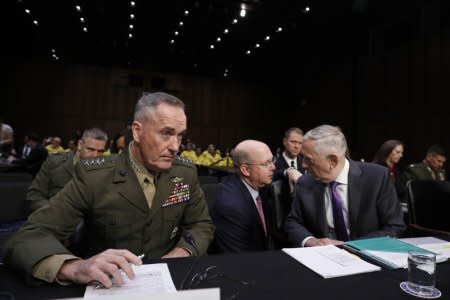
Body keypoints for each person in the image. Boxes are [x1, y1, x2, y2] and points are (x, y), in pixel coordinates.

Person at [4, 92, 214, 288]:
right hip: (108, 286)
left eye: (180, 136)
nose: (175, 146)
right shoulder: (94, 177)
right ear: (137, 131)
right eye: (166, 133)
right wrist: (75, 268)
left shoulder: (186, 173)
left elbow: (201, 225)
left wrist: (181, 253)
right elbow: (27, 238)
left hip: (169, 282)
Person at [285, 125, 405, 247]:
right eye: (302, 158)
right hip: (322, 257)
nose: (303, 165)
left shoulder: (377, 177)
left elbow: (394, 226)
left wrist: (352, 247)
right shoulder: (305, 182)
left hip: (368, 254)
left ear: (333, 161)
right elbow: (293, 222)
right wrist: (311, 241)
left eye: (308, 159)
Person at [210, 140, 275, 253]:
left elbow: (277, 173)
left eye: (272, 161)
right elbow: (238, 257)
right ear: (245, 170)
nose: (273, 167)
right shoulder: (231, 206)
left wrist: (289, 171)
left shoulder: (258, 184)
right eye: (266, 163)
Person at [26, 128, 109, 213]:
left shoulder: (106, 170)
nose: (95, 156)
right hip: (53, 219)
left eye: (100, 151)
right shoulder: (54, 162)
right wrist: (55, 211)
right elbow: (34, 196)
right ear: (80, 144)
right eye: (90, 149)